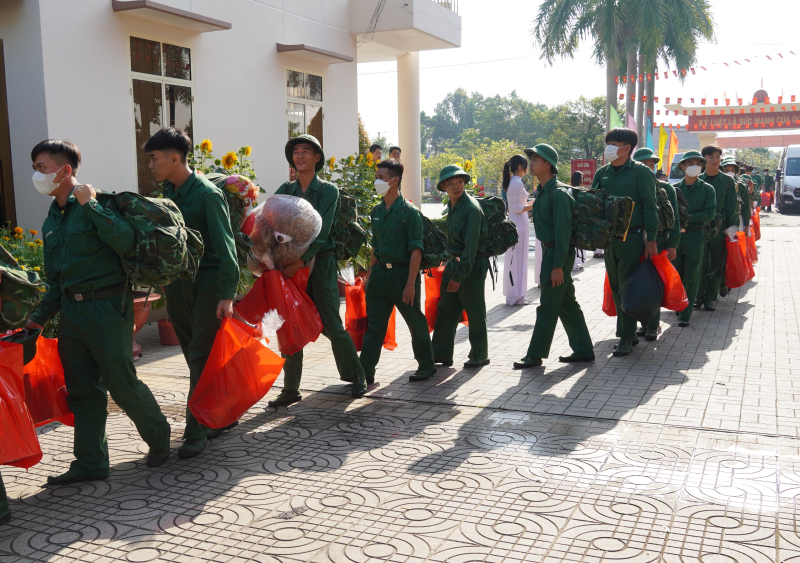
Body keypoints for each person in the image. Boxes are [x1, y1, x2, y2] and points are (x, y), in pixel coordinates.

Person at [26, 140, 170, 484]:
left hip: (107, 307)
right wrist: (38, 317)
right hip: (72, 315)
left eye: (42, 167)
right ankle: (91, 462)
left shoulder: (98, 203)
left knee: (120, 383)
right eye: (34, 167)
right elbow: (55, 279)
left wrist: (91, 206)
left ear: (66, 170)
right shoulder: (52, 218)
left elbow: (124, 240)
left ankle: (159, 437)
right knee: (82, 391)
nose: (36, 174)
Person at [145, 128, 239, 458]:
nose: (151, 165)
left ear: (175, 158)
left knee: (200, 355)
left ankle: (196, 431)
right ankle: (219, 414)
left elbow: (227, 248)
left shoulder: (208, 195)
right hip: (178, 283)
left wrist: (227, 294)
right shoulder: (167, 194)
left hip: (209, 283)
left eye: (155, 159)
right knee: (194, 354)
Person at [269, 134, 368, 402]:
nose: (300, 156)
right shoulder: (285, 190)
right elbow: (272, 224)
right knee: (290, 324)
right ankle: (291, 389)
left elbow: (320, 231)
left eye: (306, 152)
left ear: (317, 158)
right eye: (296, 152)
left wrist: (301, 262)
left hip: (320, 262)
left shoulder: (328, 191)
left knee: (332, 324)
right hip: (288, 266)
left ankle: (357, 374)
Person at [514, 145, 594, 368]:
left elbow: (563, 234)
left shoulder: (558, 194)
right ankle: (584, 349)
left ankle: (535, 354)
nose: (531, 163)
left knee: (548, 304)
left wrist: (558, 265)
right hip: (550, 252)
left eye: (536, 159)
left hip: (557, 254)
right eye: (531, 159)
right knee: (567, 303)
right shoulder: (543, 191)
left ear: (548, 164)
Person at [360, 159, 436, 383]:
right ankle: (366, 373)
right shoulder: (376, 211)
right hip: (380, 275)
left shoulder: (409, 212)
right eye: (377, 177)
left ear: (395, 181)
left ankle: (426, 364)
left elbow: (416, 251)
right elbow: (375, 247)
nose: (377, 181)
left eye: (381, 178)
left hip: (403, 276)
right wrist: (370, 275)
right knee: (375, 327)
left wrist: (411, 284)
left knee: (415, 321)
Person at [590, 128, 659, 356]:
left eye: (614, 143)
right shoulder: (603, 173)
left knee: (629, 288)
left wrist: (652, 240)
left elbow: (650, 206)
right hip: (610, 240)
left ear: (627, 148)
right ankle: (628, 333)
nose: (609, 147)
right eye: (608, 142)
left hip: (633, 238)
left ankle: (626, 337)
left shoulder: (641, 173)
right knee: (618, 288)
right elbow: (594, 203)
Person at [431, 164, 490, 369]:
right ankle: (440, 353)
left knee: (474, 311)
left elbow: (471, 249)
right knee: (446, 308)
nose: (456, 186)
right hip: (454, 264)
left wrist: (460, 275)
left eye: (459, 182)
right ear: (443, 187)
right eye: (450, 183)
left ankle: (480, 354)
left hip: (470, 266)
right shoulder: (453, 205)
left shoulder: (472, 209)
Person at [633, 148, 680, 340]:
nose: (648, 167)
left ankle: (652, 325)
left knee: (653, 284)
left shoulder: (666, 188)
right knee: (638, 285)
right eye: (644, 164)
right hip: (634, 241)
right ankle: (642, 324)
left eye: (651, 164)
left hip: (658, 241)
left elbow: (675, 219)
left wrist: (673, 244)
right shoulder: (631, 186)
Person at [672, 151, 716, 327]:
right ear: (682, 166)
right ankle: (679, 303)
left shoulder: (707, 189)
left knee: (692, 275)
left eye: (698, 163)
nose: (695, 166)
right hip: (676, 237)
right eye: (691, 163)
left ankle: (685, 313)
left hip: (696, 235)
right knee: (677, 274)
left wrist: (687, 217)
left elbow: (709, 213)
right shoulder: (674, 189)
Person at [696, 145, 738, 312]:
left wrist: (731, 228)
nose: (714, 160)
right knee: (700, 263)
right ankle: (698, 296)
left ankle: (711, 298)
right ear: (703, 160)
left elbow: (732, 207)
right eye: (710, 157)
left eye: (717, 156)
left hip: (720, 230)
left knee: (716, 264)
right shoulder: (697, 180)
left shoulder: (728, 181)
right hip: (699, 229)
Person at [502, 154, 533, 305]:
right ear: (521, 167)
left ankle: (516, 294)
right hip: (519, 224)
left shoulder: (513, 182)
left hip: (517, 222)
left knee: (516, 258)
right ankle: (517, 295)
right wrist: (534, 204)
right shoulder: (517, 183)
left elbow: (519, 204)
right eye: (527, 165)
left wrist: (531, 201)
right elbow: (516, 208)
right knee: (519, 259)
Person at [568, 171, 586, 272]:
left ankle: (576, 263)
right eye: (581, 178)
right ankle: (574, 264)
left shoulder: (574, 189)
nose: (582, 180)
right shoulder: (571, 190)